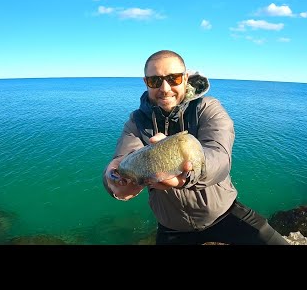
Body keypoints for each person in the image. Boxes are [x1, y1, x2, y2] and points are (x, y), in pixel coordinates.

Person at [103, 50, 289, 245]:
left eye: (173, 79)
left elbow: (219, 157)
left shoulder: (208, 108)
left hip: (223, 213)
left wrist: (185, 176)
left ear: (185, 79)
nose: (165, 88)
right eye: (155, 81)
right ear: (145, 82)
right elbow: (124, 159)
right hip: (172, 226)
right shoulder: (137, 121)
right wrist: (113, 180)